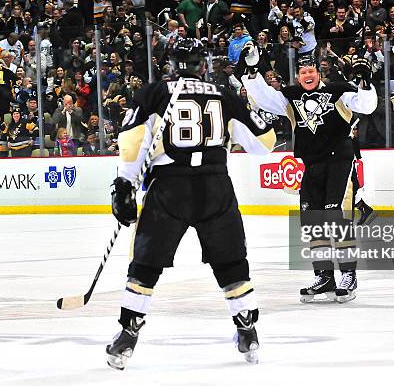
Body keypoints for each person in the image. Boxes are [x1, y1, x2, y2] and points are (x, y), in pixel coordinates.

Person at [106, 38, 276, 370]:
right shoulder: (223, 94)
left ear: (169, 62)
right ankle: (247, 330)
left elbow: (131, 143)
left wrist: (124, 184)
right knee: (230, 262)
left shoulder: (155, 93)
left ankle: (127, 335)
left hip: (170, 188)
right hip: (216, 187)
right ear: (203, 63)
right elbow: (264, 143)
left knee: (145, 264)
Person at [241, 46, 378, 303]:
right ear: (298, 76)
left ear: (318, 73)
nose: (308, 75)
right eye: (303, 71)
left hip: (339, 161)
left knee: (336, 216)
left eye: (312, 70)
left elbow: (366, 106)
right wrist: (252, 71)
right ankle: (324, 275)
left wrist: (366, 84)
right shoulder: (290, 97)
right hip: (312, 165)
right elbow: (261, 97)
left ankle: (348, 274)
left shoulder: (338, 90)